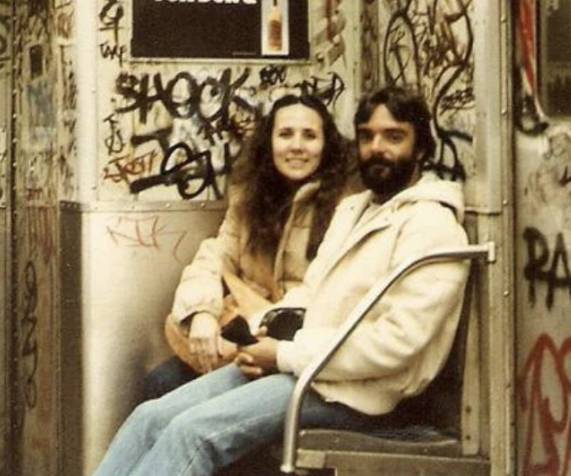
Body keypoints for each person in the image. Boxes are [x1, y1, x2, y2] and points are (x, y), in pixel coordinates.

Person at [91, 86, 470, 476]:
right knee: (150, 417)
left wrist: (284, 353)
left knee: (192, 433)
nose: (377, 148)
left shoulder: (430, 224)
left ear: (421, 148)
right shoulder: (358, 211)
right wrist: (256, 336)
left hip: (359, 390)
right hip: (308, 366)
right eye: (367, 136)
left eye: (394, 137)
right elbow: (311, 292)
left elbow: (396, 343)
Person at [142, 92, 354, 401]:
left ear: (326, 145)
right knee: (161, 382)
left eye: (309, 135)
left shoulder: (345, 205)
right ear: (270, 143)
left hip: (295, 350)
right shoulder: (250, 197)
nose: (296, 145)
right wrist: (202, 311)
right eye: (285, 134)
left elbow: (325, 294)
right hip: (243, 340)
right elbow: (214, 257)